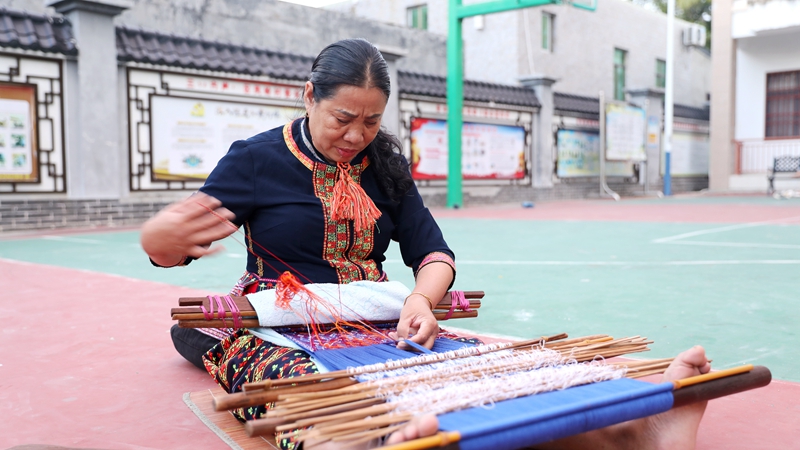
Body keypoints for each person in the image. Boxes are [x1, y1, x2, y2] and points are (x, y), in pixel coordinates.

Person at [141, 38, 710, 449]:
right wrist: (159, 237)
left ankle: (631, 429)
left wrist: (420, 300)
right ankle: (384, 438)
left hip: (379, 313)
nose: (357, 135)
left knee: (477, 370)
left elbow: (433, 254)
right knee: (278, 377)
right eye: (343, 118)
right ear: (309, 95)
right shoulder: (256, 158)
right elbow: (173, 248)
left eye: (371, 121)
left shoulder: (384, 164)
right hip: (276, 314)